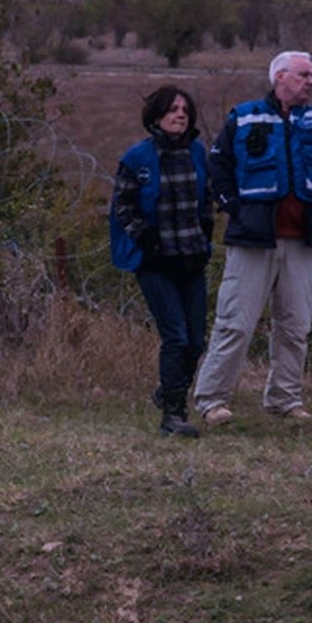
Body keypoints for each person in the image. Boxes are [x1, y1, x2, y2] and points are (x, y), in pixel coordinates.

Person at [189, 50, 312, 425]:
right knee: (235, 322)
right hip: (253, 238)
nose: (310, 81)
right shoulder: (245, 115)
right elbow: (217, 162)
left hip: (303, 239)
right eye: (304, 75)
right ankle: (211, 400)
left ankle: (285, 399)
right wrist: (231, 205)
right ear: (280, 77)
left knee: (296, 325)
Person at [106, 83, 215, 437]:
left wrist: (205, 236)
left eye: (185, 110)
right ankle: (173, 414)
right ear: (156, 116)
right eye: (172, 110)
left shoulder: (198, 153)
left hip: (191, 258)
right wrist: (146, 238)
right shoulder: (137, 158)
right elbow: (122, 206)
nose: (180, 115)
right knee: (176, 337)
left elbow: (207, 200)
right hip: (155, 261)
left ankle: (167, 390)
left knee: (197, 340)